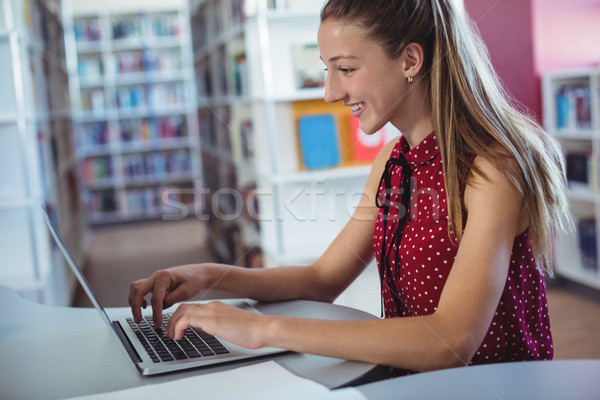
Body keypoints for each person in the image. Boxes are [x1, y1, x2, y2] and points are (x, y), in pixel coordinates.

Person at [129, 0, 573, 373]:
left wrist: (261, 329)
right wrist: (208, 276)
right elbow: (323, 279)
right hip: (410, 383)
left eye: (344, 68)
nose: (329, 92)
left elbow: (451, 341)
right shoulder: (391, 161)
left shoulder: (493, 168)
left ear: (411, 61)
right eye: (327, 69)